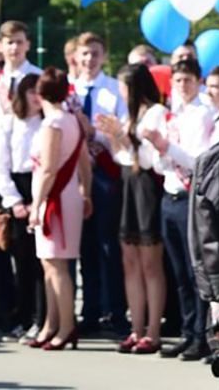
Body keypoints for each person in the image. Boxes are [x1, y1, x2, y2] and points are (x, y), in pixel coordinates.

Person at [143, 57, 215, 361]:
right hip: (169, 195)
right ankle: (188, 332)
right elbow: (160, 165)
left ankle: (201, 334)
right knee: (178, 272)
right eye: (177, 80)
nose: (182, 86)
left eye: (188, 80)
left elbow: (197, 161)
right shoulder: (172, 114)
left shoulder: (201, 114)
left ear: (198, 82)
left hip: (190, 198)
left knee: (193, 268)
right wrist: (159, 150)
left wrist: (166, 148)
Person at [95, 64, 167, 354]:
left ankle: (153, 331)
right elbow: (121, 156)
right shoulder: (128, 115)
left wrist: (122, 136)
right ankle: (135, 328)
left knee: (150, 262)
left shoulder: (155, 113)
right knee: (129, 260)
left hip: (146, 186)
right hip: (127, 184)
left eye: (124, 88)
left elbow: (148, 160)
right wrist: (114, 135)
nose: (120, 93)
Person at [28, 67, 91, 350]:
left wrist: (36, 205)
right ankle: (50, 324)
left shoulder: (53, 123)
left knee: (57, 266)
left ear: (40, 93)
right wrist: (86, 192)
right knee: (49, 264)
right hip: (66, 195)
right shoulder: (71, 120)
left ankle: (65, 327)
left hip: (56, 199)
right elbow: (85, 162)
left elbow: (49, 169)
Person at [72, 31, 129, 337]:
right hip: (77, 177)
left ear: (104, 56)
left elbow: (120, 131)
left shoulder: (112, 91)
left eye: (95, 54)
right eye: (84, 54)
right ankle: (90, 311)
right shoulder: (71, 92)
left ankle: (116, 311)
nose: (89, 60)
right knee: (86, 247)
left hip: (105, 174)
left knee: (108, 244)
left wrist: (95, 135)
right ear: (76, 57)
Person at [0, 74, 46, 342]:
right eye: (31, 92)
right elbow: (0, 166)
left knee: (42, 262)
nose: (36, 97)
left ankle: (42, 318)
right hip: (18, 190)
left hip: (42, 190)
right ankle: (22, 317)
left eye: (40, 92)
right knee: (21, 261)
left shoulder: (49, 123)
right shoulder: (10, 122)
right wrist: (14, 201)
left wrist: (39, 200)